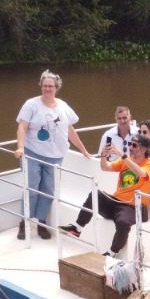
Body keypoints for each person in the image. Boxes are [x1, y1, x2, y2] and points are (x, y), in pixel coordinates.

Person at [13, 69, 94, 240]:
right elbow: (22, 127)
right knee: (32, 187)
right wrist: (20, 147)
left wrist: (83, 150)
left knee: (48, 190)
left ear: (56, 88)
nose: (47, 89)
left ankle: (42, 223)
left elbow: (70, 130)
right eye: (45, 86)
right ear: (41, 86)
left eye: (51, 86)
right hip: (33, 153)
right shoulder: (31, 104)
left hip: (56, 157)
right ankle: (24, 223)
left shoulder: (63, 106)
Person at [59, 135, 150, 255]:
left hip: (133, 206)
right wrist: (103, 156)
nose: (131, 147)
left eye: (134, 145)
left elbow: (141, 173)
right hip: (116, 201)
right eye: (130, 144)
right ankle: (77, 228)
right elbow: (105, 167)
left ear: (144, 149)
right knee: (96, 195)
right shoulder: (126, 160)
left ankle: (112, 252)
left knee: (123, 223)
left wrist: (123, 156)